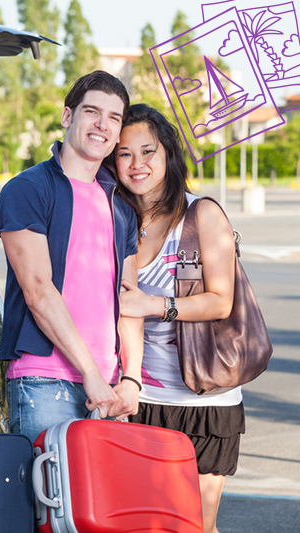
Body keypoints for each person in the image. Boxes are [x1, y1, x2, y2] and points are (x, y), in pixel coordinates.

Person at [111, 104, 242, 533]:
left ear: (168, 153)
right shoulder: (118, 219)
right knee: (147, 523)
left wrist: (155, 305)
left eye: (147, 151)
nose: (137, 164)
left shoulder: (201, 214)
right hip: (146, 400)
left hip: (205, 401)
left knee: (197, 526)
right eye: (124, 154)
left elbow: (221, 301)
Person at [0, 70, 144, 443]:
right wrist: (89, 372)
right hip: (44, 380)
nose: (102, 125)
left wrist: (131, 378)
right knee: (49, 501)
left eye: (113, 117)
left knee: (101, 502)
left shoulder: (120, 206)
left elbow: (129, 301)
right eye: (92, 111)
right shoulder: (27, 189)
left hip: (108, 388)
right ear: (67, 116)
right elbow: (39, 291)